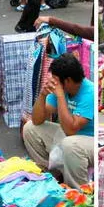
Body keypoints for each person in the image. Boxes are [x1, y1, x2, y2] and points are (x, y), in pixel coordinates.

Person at [23, 53, 94, 189]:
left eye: (55, 79)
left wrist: (61, 96)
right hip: (68, 138)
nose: (52, 82)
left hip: (88, 141)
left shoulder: (89, 92)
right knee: (30, 128)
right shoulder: (62, 89)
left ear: (67, 81)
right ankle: (50, 176)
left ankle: (78, 194)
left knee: (70, 144)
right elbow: (37, 120)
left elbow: (70, 130)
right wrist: (43, 95)